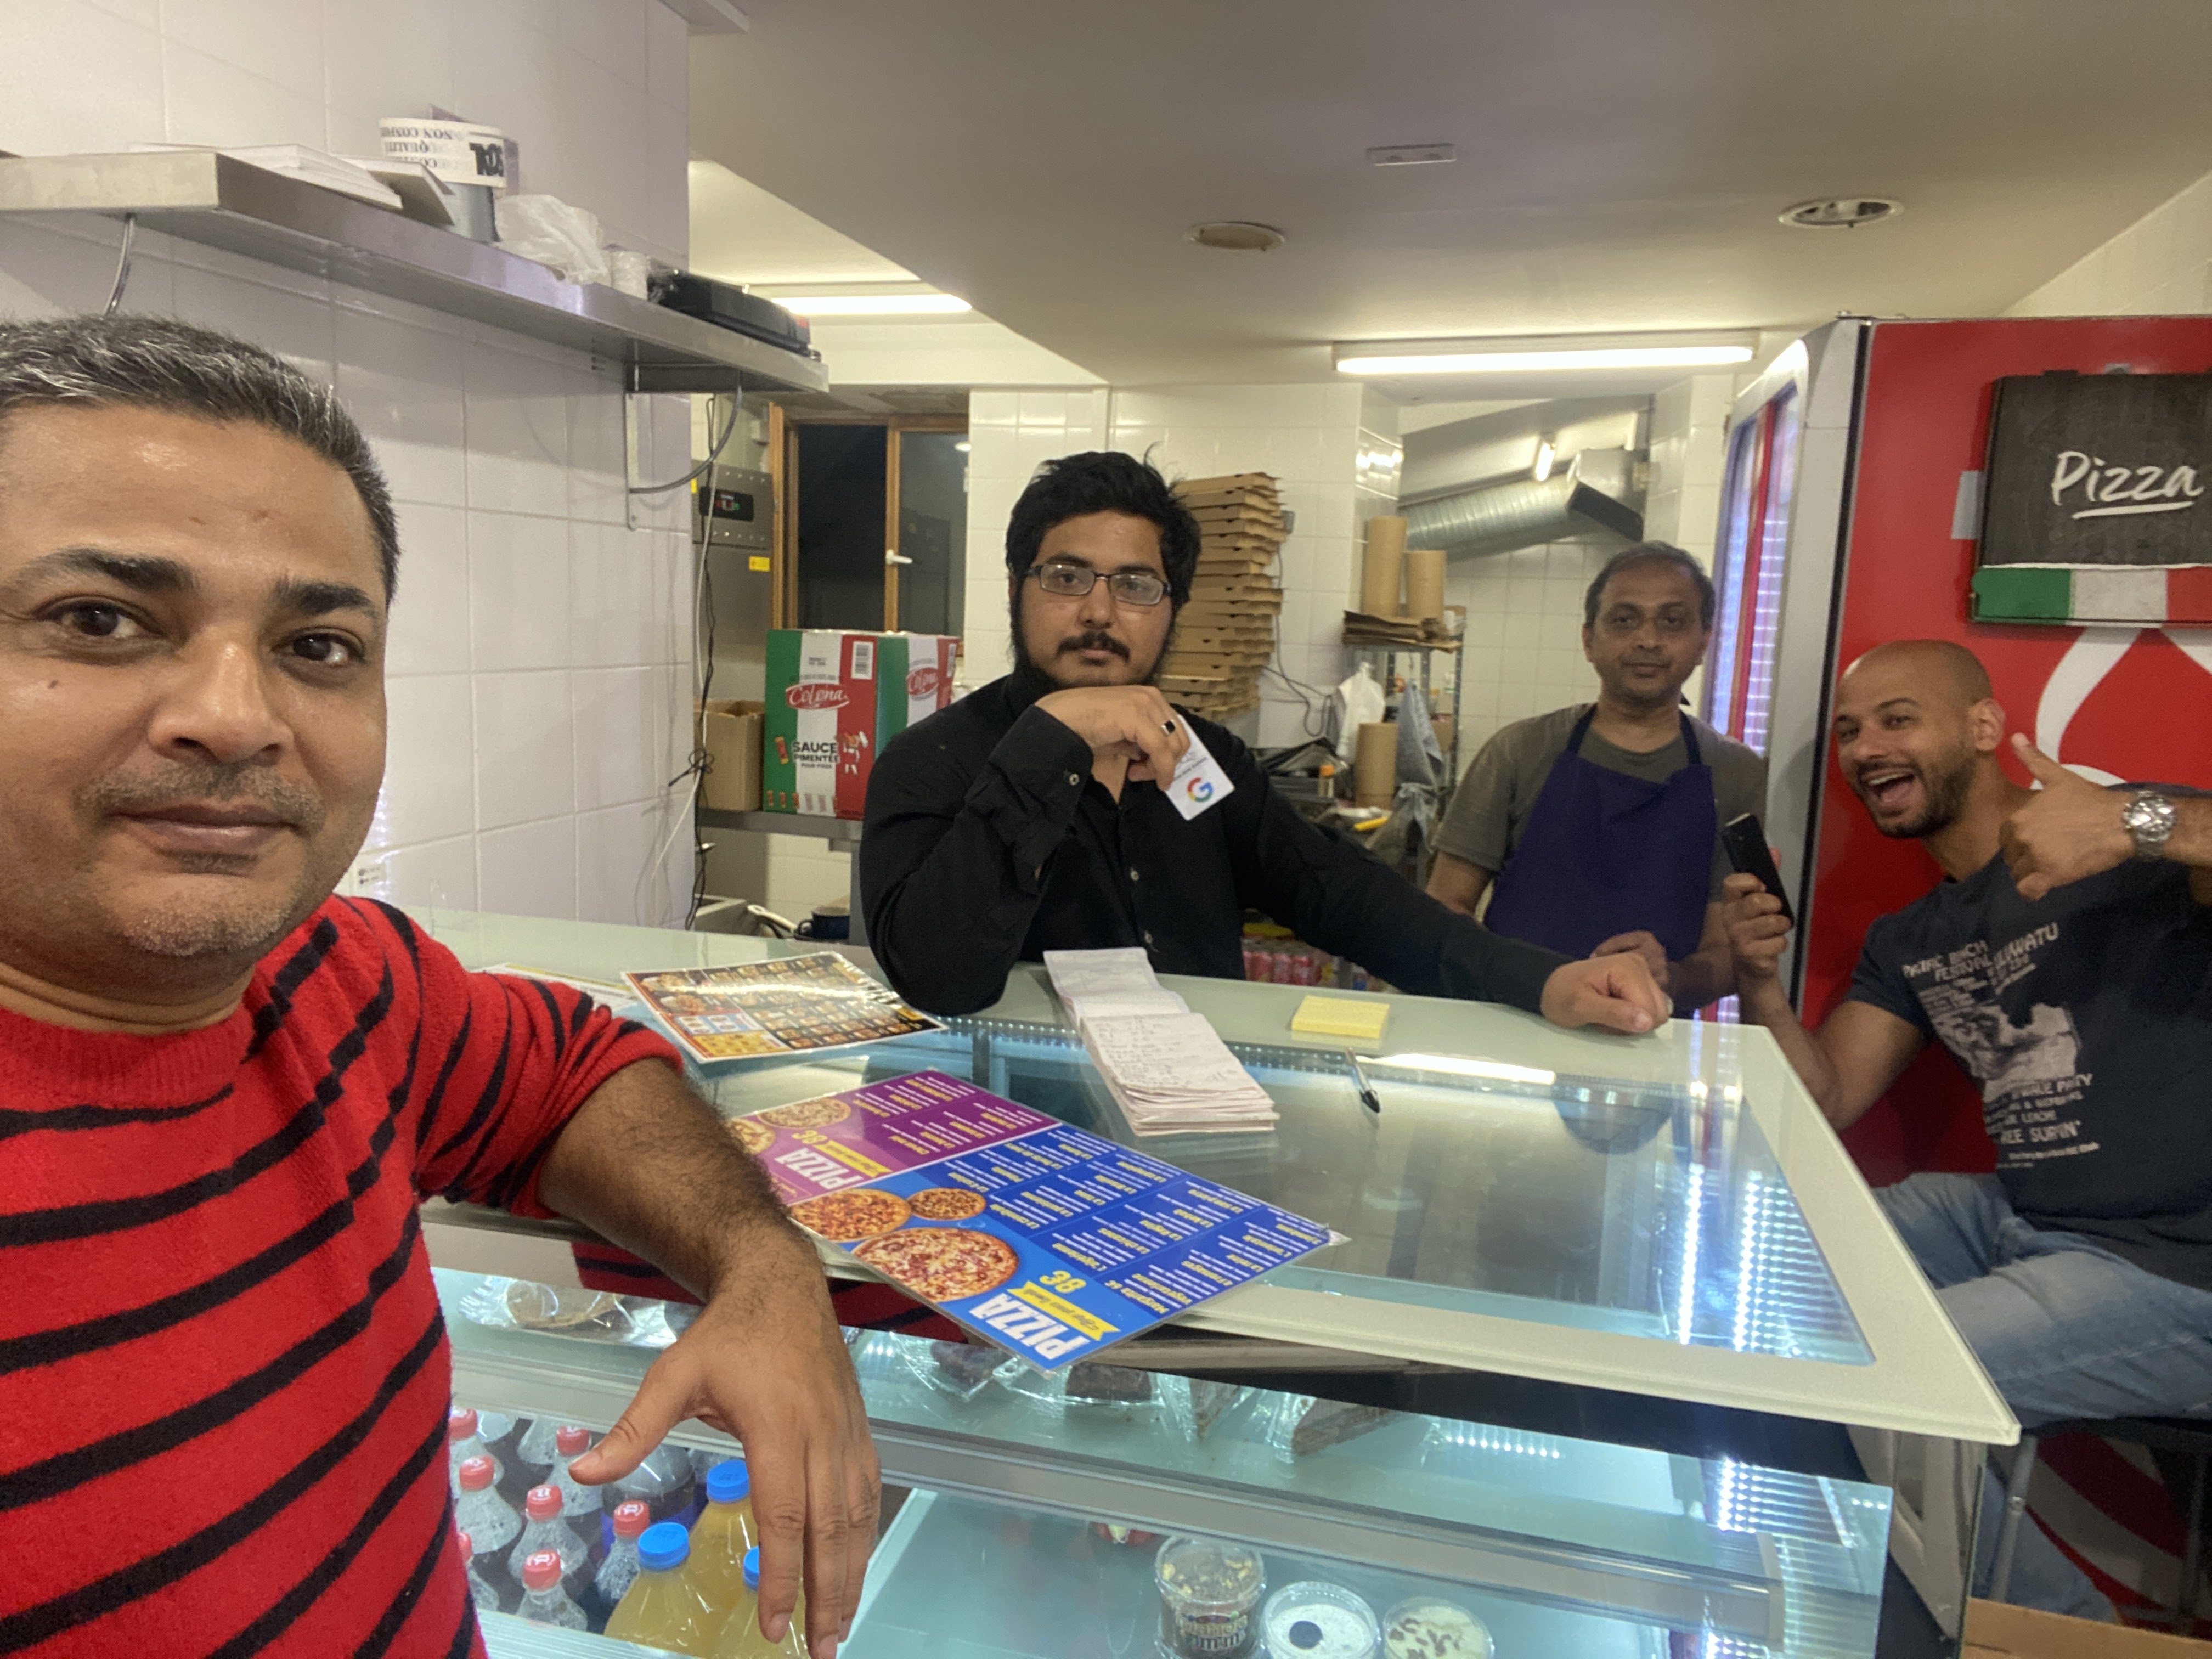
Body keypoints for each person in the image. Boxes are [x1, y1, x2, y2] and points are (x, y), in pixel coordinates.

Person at [0, 317, 873, 1658]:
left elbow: (574, 1072)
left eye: (317, 645)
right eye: (100, 621)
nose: (237, 717)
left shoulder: (338, 979)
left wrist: (763, 1266)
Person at [1722, 638, 2212, 1620]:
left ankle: (2060, 1638)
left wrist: (2134, 823)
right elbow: (1826, 1099)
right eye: (1850, 732)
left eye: (1897, 719)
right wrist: (1759, 985)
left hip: (2172, 1264)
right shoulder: (1913, 937)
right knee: (1769, 1260)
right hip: (2022, 1217)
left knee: (1874, 1382)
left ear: (1985, 727)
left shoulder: (2125, 839)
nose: (1866, 747)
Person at [859, 450, 1668, 1034]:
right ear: (1015, 589)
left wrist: (1543, 979)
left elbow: (1342, 895)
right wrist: (1051, 742)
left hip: (1187, 1148)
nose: (1099, 612)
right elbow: (936, 978)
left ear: (1172, 609)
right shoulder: (932, 763)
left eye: (1136, 585)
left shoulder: (1201, 759)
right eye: (1066, 577)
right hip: (998, 1146)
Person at [1426, 543, 1767, 1013]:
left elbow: (1729, 953)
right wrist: (1524, 978)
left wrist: (1674, 978)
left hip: (1655, 1034)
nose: (1648, 640)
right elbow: (1445, 908)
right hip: (1512, 1022)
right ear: (1589, 640)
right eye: (1624, 620)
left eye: (1672, 621)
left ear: (1704, 641)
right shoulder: (1518, 752)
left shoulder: (1736, 772)